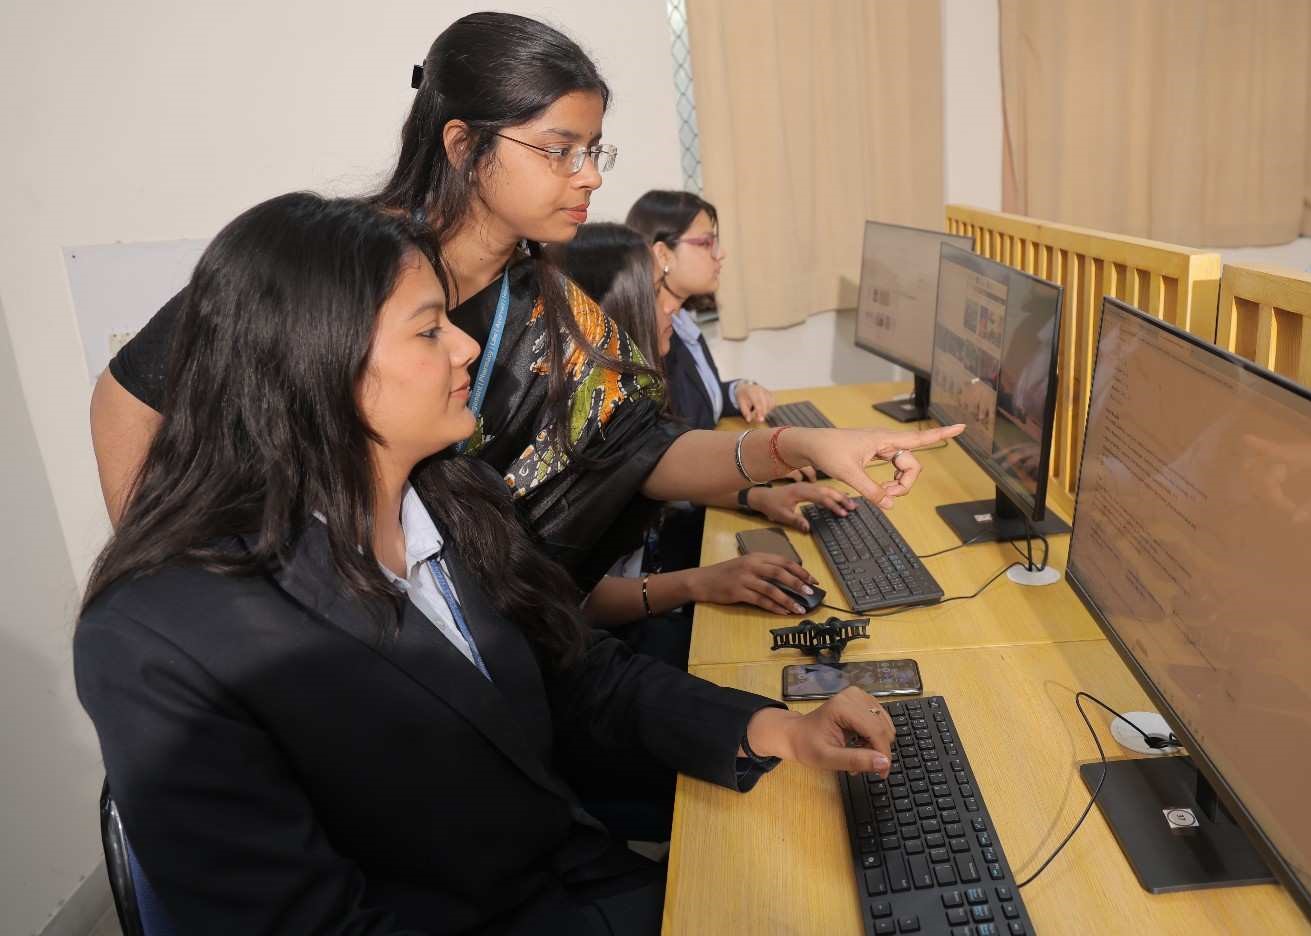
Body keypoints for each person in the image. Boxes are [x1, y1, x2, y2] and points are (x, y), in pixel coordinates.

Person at [75, 193, 898, 935]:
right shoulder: (161, 636)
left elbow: (577, 676)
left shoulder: (454, 498)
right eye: (430, 329)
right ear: (320, 363)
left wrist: (776, 729)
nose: (467, 347)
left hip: (576, 882)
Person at [89, 12, 961, 591]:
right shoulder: (334, 263)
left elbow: (639, 451)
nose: (586, 177)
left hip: (464, 641)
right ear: (463, 145)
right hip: (318, 626)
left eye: (595, 151)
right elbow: (128, 392)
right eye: (558, 150)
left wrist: (798, 445)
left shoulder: (553, 304)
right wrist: (172, 588)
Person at [626, 189, 775, 427]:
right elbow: (680, 430)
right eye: (706, 243)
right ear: (663, 255)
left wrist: (736, 391)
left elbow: (699, 401)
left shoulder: (680, 319)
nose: (720, 253)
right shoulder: (651, 340)